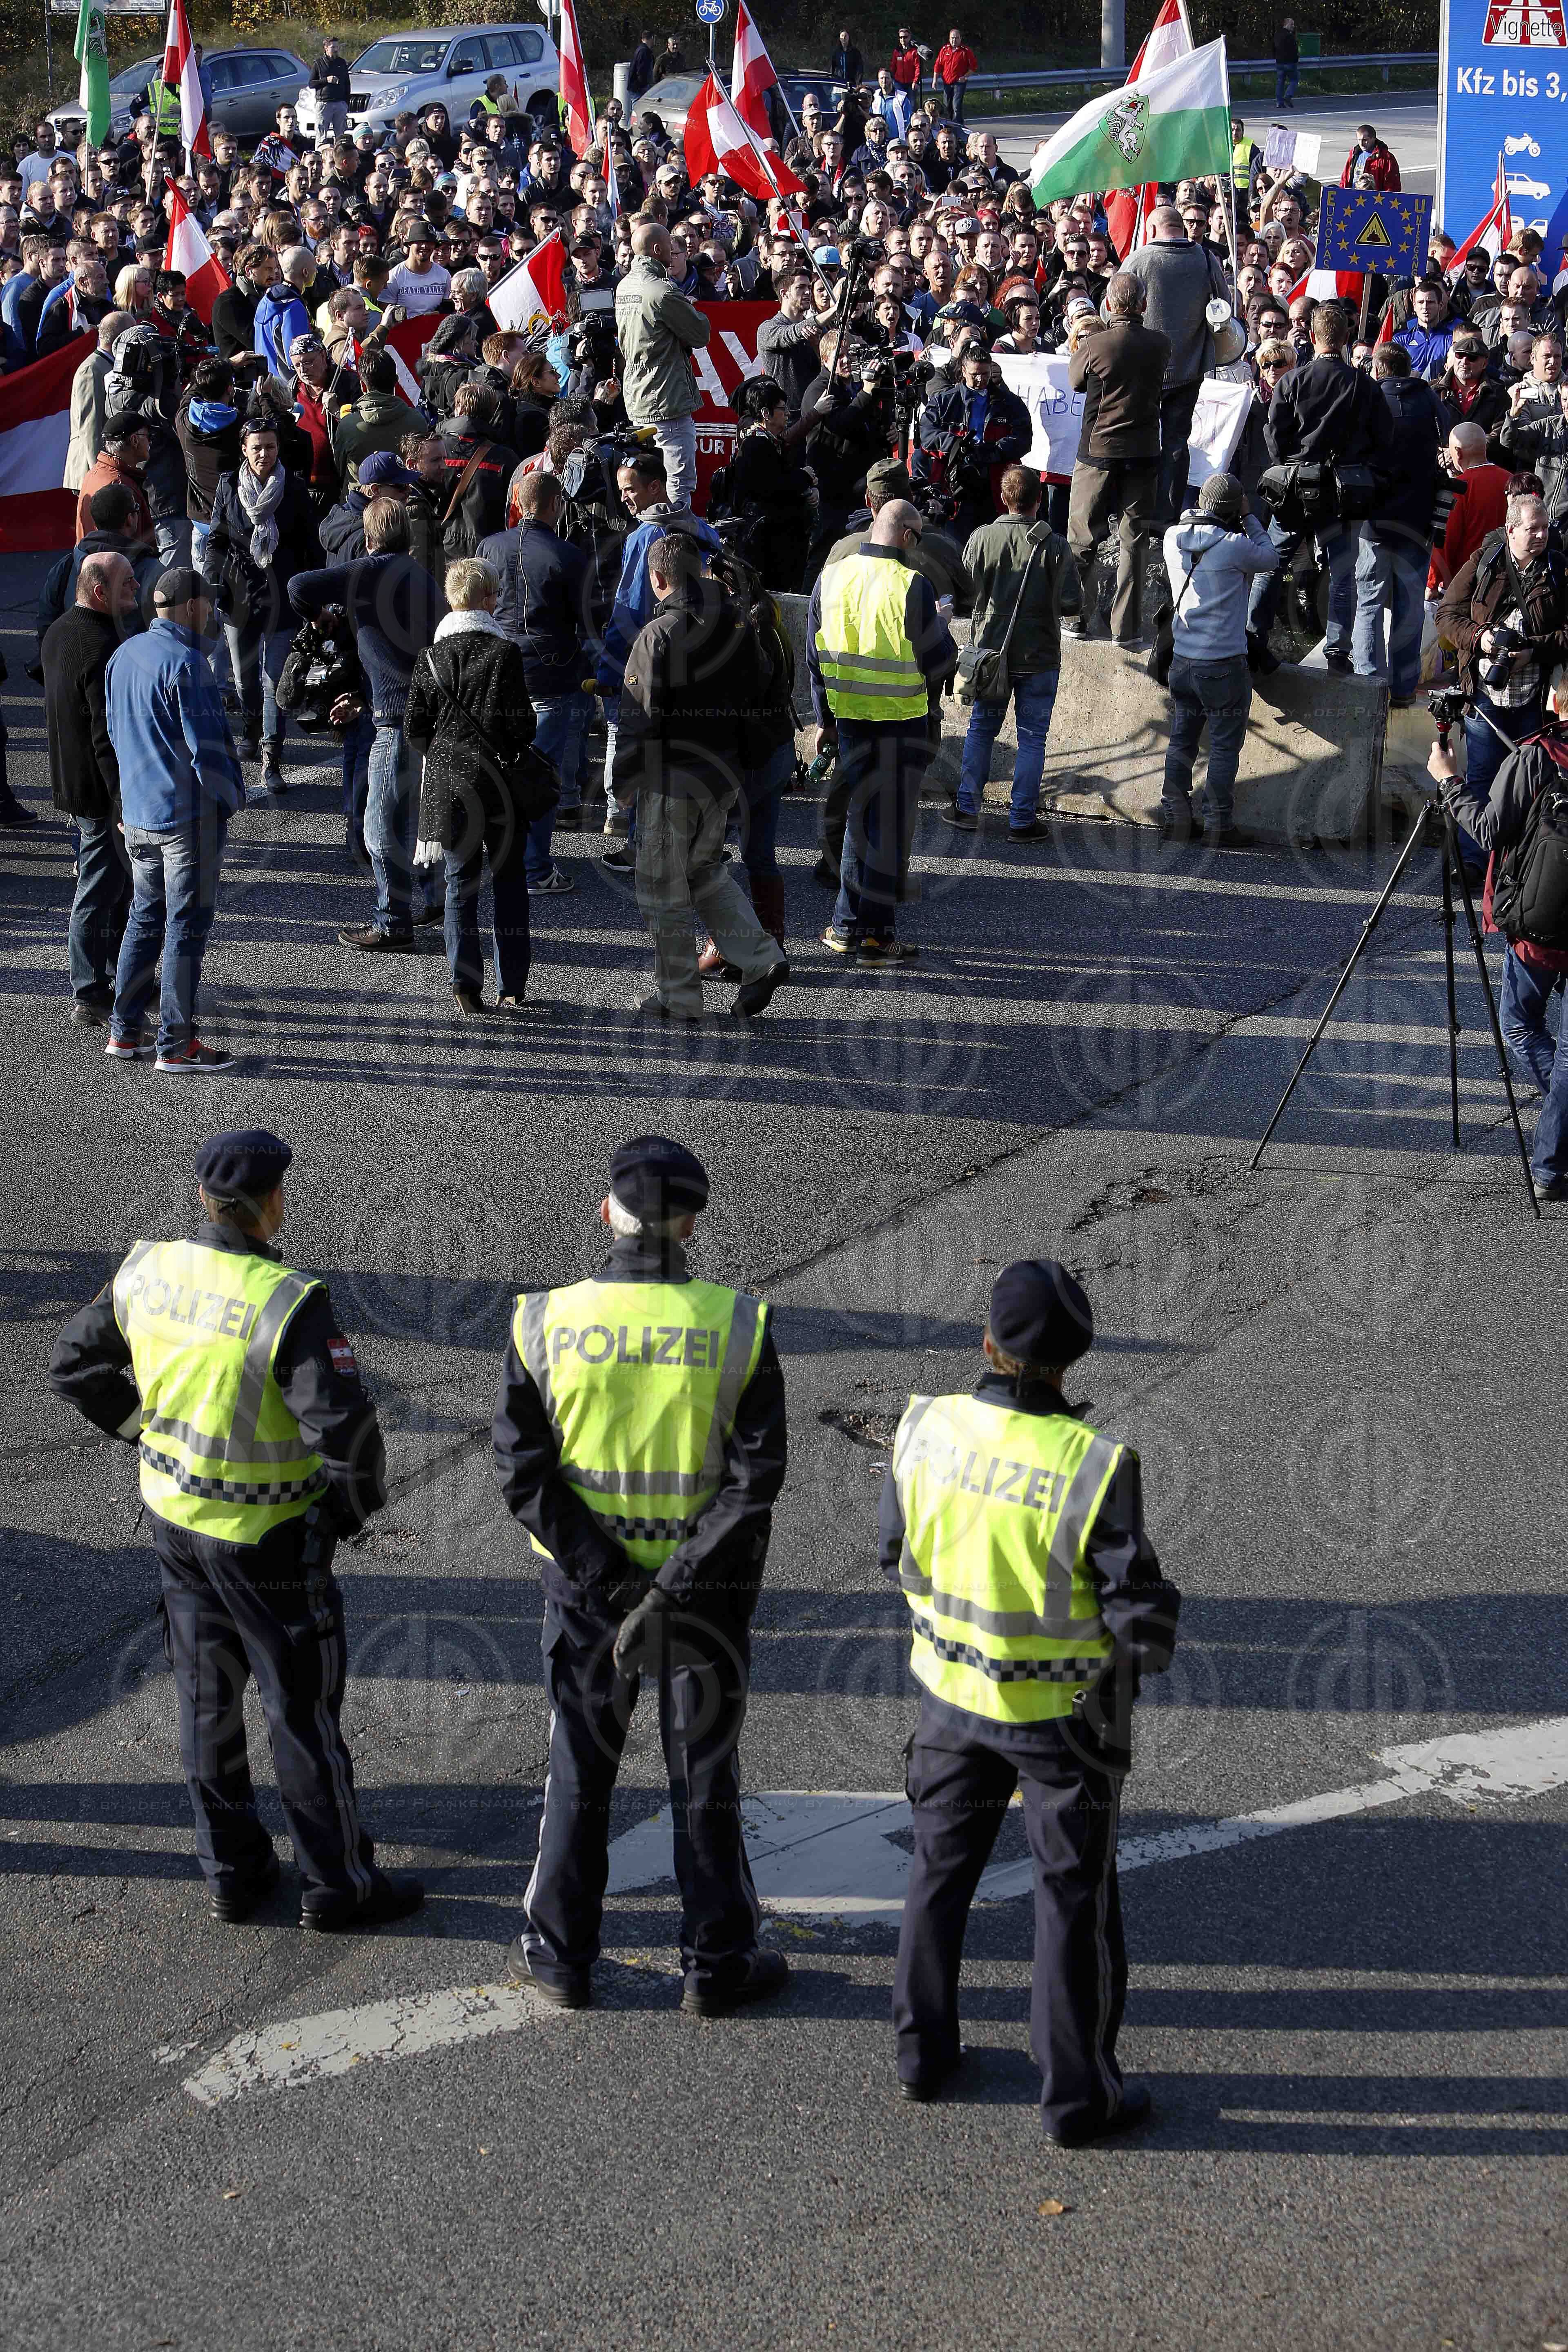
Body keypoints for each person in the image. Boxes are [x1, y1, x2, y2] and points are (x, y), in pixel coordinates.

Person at [47, 1129, 424, 1932]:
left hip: (177, 1527)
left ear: (203, 1201)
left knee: (205, 1706)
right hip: (271, 1542)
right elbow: (351, 1438)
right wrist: (341, 1518)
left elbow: (73, 1367)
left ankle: (232, 1873)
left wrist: (144, 1433)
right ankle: (337, 1886)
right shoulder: (287, 1301)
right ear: (273, 1205)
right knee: (302, 1715)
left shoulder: (145, 1272)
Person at [494, 1134, 790, 2015]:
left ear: (606, 1212)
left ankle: (560, 1959)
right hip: (708, 1597)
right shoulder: (740, 1323)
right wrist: (671, 1587)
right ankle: (716, 1963)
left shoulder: (540, 1321)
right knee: (704, 1775)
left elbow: (524, 1475)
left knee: (580, 1770)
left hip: (588, 1597)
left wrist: (614, 1585)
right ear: (692, 1223)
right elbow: (755, 1480)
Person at [884, 1259, 1180, 2136]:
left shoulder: (925, 1429)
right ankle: (1077, 2097)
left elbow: (895, 1549)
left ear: (988, 1346)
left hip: (949, 1699)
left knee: (937, 1876)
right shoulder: (1096, 1466)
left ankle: (921, 2058)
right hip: (1058, 1726)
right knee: (1071, 1899)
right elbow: (1140, 1625)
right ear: (1072, 1363)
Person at [614, 533, 792, 1022]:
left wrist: (622, 782)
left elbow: (638, 716)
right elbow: (760, 688)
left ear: (658, 578)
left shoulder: (660, 634)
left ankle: (680, 996)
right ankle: (762, 957)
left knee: (662, 889)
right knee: (705, 872)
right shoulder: (739, 624)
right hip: (723, 774)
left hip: (671, 780)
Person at [290, 498, 449, 953]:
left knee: (379, 830)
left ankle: (392, 923)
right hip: (423, 711)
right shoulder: (420, 576)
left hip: (397, 720)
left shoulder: (371, 571)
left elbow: (299, 586)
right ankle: (436, 900)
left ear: (370, 537)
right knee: (417, 819)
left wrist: (319, 618)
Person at [102, 569, 243, 1074]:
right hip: (186, 819)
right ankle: (176, 1045)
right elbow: (209, 754)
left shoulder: (123, 656)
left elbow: (116, 737)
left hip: (139, 813)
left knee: (144, 918)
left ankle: (124, 1032)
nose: (211, 613)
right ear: (191, 608)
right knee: (185, 929)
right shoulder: (190, 664)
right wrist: (229, 802)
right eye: (208, 605)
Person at [1429, 699, 1568, 1201]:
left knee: (1518, 1024)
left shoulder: (1535, 757)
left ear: (1555, 702)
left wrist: (1449, 783)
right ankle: (1550, 1167)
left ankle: (1556, 1157)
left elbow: (1488, 831)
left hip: (1538, 929)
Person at [808, 500, 957, 962]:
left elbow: (815, 659)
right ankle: (869, 933)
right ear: (909, 536)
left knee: (860, 821)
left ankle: (852, 928)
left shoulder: (830, 577)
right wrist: (943, 627)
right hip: (902, 723)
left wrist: (824, 721)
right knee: (886, 831)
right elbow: (938, 661)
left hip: (850, 719)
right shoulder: (913, 585)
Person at [405, 558, 545, 1017]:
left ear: (451, 599)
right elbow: (523, 726)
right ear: (489, 600)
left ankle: (464, 983)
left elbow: (415, 728)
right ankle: (512, 986)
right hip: (500, 782)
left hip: (449, 782)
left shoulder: (429, 657)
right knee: (508, 883)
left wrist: (443, 751)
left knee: (459, 884)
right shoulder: (504, 654)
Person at [1247, 302, 1395, 669]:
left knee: (1270, 564)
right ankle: (1337, 651)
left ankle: (1252, 637)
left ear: (1312, 337)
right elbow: (1384, 440)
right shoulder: (1365, 385)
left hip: (1295, 490)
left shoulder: (1291, 381)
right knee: (1343, 574)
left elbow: (1274, 436)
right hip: (1344, 493)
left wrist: (1290, 465)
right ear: (1346, 339)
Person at [1159, 471, 1281, 846]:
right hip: (1223, 665)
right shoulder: (1233, 545)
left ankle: (1176, 819)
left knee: (1182, 741)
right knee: (1225, 746)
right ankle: (1218, 824)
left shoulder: (1171, 537)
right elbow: (1271, 557)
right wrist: (1249, 516)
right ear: (1233, 509)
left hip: (1181, 661)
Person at [950, 467, 1072, 840]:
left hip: (990, 655)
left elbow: (964, 594)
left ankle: (968, 808)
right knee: (1033, 738)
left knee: (982, 730)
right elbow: (1071, 602)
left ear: (1004, 499)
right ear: (1039, 500)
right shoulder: (1054, 544)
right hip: (1039, 656)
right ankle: (1021, 820)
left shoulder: (982, 538)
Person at [45, 552, 137, 1028]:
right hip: (98, 792)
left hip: (71, 779)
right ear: (100, 593)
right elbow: (105, 735)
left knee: (111, 887)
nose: (137, 590)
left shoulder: (60, 630)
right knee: (98, 890)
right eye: (127, 584)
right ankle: (89, 990)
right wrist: (121, 801)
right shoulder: (101, 646)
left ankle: (116, 974)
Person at [207, 417, 321, 795]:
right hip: (239, 600)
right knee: (245, 680)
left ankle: (272, 759)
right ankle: (251, 731)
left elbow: (311, 549)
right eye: (256, 447)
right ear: (244, 450)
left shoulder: (295, 489)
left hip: (283, 602)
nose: (264, 454)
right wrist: (214, 582)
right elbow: (217, 541)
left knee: (275, 681)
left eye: (270, 447)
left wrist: (311, 598)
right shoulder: (228, 487)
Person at [480, 470, 592, 853]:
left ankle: (501, 851)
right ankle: (534, 864)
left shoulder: (489, 547)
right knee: (542, 773)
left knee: (497, 767)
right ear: (556, 506)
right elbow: (587, 618)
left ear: (517, 503)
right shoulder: (569, 555)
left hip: (498, 668)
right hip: (549, 671)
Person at [1437, 492, 1568, 814]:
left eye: (1545, 528)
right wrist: (1480, 638)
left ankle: (1516, 862)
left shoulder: (1557, 569)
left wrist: (1533, 652)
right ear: (1511, 529)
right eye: (1532, 529)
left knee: (1528, 783)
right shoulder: (1484, 563)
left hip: (1534, 702)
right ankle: (1473, 863)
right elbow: (1446, 615)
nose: (1541, 535)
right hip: (1484, 696)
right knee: (1482, 778)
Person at [1066, 274, 1170, 647]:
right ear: (1143, 306)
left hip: (1098, 451)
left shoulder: (1095, 345)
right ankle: (1124, 629)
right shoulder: (1161, 345)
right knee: (1134, 541)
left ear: (1109, 305)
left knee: (1082, 536)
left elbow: (1075, 380)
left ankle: (1074, 616)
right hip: (1143, 453)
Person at [1123, 207, 1234, 528]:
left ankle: (1136, 512)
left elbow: (1111, 308)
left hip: (1145, 368)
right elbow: (1223, 307)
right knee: (1176, 443)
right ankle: (1166, 517)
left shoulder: (1139, 260)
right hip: (1190, 367)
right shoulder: (1205, 258)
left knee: (1141, 438)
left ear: (1152, 227)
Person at [1349, 344, 1440, 706]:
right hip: (1419, 521)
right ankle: (1403, 689)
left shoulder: (1368, 402)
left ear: (1379, 370)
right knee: (1410, 605)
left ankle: (1368, 685)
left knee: (1369, 602)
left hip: (1375, 522)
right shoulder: (1430, 400)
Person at [615, 220, 713, 512]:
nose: (673, 251)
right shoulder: (662, 291)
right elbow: (700, 333)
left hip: (638, 396)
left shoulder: (624, 286)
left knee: (649, 483)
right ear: (658, 249)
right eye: (669, 246)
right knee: (679, 485)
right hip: (666, 399)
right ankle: (673, 546)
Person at [333, 350, 429, 484]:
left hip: (363, 500)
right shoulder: (418, 421)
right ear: (396, 381)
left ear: (363, 385)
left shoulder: (348, 426)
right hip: (407, 497)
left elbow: (340, 469)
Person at [66, 309, 134, 495]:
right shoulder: (92, 369)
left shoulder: (110, 365)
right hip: (93, 471)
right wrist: (101, 474)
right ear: (121, 338)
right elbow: (91, 426)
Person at [309, 37, 352, 143]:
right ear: (326, 48)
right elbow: (311, 84)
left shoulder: (342, 63)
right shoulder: (319, 64)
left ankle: (339, 157)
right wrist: (326, 80)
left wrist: (346, 104)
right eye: (333, 47)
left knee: (341, 138)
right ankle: (319, 157)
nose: (336, 50)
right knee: (321, 137)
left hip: (340, 104)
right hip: (324, 104)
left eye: (338, 47)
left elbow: (347, 83)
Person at [933, 30, 978, 126]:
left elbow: (974, 67)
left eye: (956, 38)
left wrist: (965, 77)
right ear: (949, 39)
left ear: (960, 39)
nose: (954, 40)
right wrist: (935, 80)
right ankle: (948, 125)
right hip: (947, 82)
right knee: (947, 105)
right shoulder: (945, 50)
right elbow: (938, 65)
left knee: (956, 105)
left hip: (959, 83)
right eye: (952, 38)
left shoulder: (966, 51)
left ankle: (958, 125)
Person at [1341, 123, 1402, 192]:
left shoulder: (1386, 158)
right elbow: (1345, 179)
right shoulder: (1354, 154)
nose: (1362, 144)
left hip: (1375, 200)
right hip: (1353, 197)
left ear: (1374, 139)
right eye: (1359, 140)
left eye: (1365, 140)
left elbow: (1393, 186)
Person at [1275, 17, 1300, 109]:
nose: (1293, 26)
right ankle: (1288, 96)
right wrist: (1296, 59)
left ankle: (1279, 102)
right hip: (1290, 63)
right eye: (1292, 24)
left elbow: (1274, 48)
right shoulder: (1290, 36)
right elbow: (1294, 50)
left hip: (1280, 62)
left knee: (1280, 82)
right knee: (1295, 79)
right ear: (1286, 24)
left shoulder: (1277, 35)